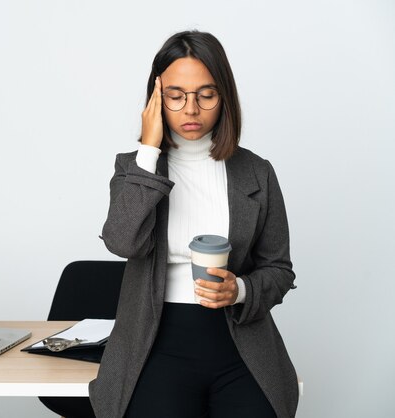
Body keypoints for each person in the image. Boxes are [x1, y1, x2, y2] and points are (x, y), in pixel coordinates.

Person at [88, 30, 299, 418]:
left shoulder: (257, 173)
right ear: (156, 98)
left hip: (240, 344)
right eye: (175, 95)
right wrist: (149, 150)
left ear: (224, 98)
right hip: (154, 345)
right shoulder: (134, 169)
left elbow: (279, 270)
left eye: (206, 94)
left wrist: (241, 290)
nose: (190, 109)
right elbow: (121, 241)